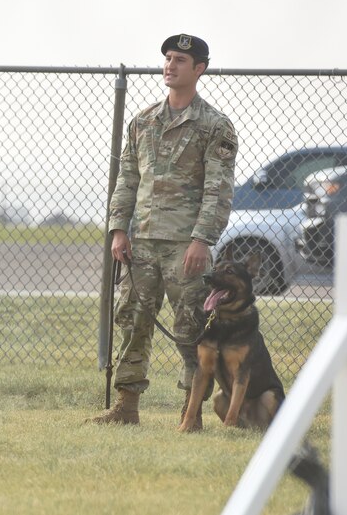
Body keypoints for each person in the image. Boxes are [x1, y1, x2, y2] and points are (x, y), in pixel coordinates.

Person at [88, 34, 237, 427]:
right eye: (167, 58)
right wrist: (119, 229)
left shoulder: (214, 126)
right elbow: (127, 178)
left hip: (185, 245)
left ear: (199, 69)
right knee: (132, 320)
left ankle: (192, 411)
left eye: (180, 60)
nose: (170, 65)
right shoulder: (143, 121)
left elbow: (218, 190)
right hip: (141, 243)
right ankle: (126, 407)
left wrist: (202, 239)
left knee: (190, 327)